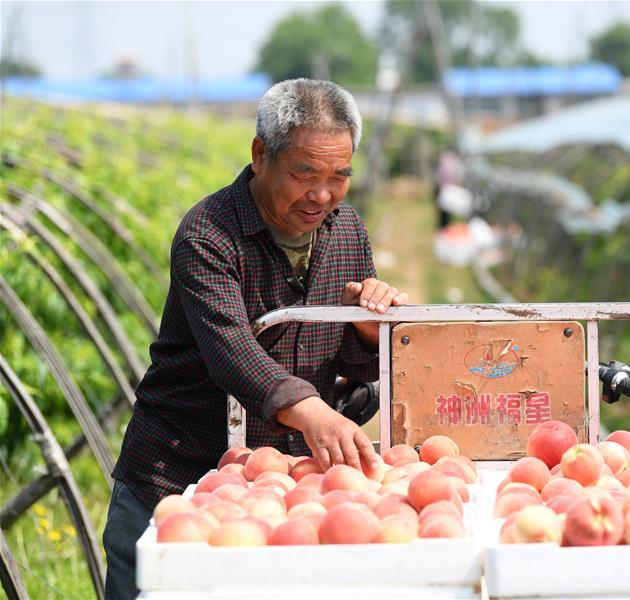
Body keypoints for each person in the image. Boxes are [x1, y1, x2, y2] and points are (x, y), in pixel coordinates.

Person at [102, 78, 407, 599]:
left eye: (340, 176)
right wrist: (311, 409)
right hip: (179, 472)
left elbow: (353, 363)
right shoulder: (209, 234)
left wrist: (369, 328)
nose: (322, 193)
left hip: (281, 488)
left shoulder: (347, 230)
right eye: (305, 173)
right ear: (261, 155)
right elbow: (231, 350)